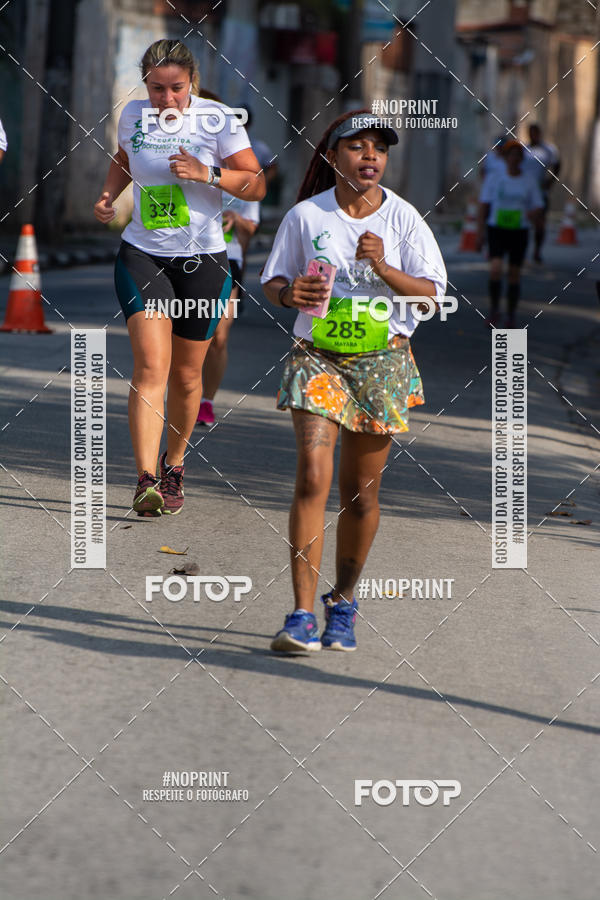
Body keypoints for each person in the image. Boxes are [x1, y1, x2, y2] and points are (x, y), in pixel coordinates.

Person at [261, 111, 447, 653]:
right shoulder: (305, 216)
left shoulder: (404, 219)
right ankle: (299, 615)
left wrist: (386, 268)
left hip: (381, 362)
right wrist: (289, 294)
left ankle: (342, 602)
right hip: (318, 357)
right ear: (332, 156)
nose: (370, 156)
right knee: (311, 477)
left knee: (361, 496)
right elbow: (273, 280)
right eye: (357, 146)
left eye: (379, 149)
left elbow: (430, 298)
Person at [93, 39, 265, 516]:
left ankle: (175, 465)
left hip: (205, 262)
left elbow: (255, 180)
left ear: (192, 81)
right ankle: (145, 478)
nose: (166, 99)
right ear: (144, 83)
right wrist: (109, 195)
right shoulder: (133, 115)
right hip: (143, 255)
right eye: (156, 89)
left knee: (188, 377)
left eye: (176, 88)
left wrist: (208, 174)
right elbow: (125, 159)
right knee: (151, 367)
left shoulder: (217, 119)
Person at [196, 192, 260, 425]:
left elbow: (251, 227)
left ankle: (206, 402)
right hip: (190, 254)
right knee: (185, 331)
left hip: (229, 258)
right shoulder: (193, 162)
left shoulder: (247, 173)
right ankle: (183, 395)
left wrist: (235, 217)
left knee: (219, 337)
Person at [477, 140, 544, 328]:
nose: (514, 159)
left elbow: (539, 205)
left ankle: (511, 315)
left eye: (517, 155)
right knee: (496, 269)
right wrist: (479, 232)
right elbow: (484, 205)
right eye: (510, 155)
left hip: (519, 231)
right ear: (505, 158)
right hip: (497, 229)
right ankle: (494, 310)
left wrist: (532, 214)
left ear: (521, 159)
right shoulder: (495, 178)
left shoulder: (529, 180)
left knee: (514, 274)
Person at [524, 123, 560, 262]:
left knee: (540, 224)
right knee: (525, 222)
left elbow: (557, 165)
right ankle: (522, 251)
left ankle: (537, 251)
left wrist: (550, 181)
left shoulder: (548, 150)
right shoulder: (524, 149)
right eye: (530, 133)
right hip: (524, 193)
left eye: (535, 132)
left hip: (540, 192)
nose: (533, 135)